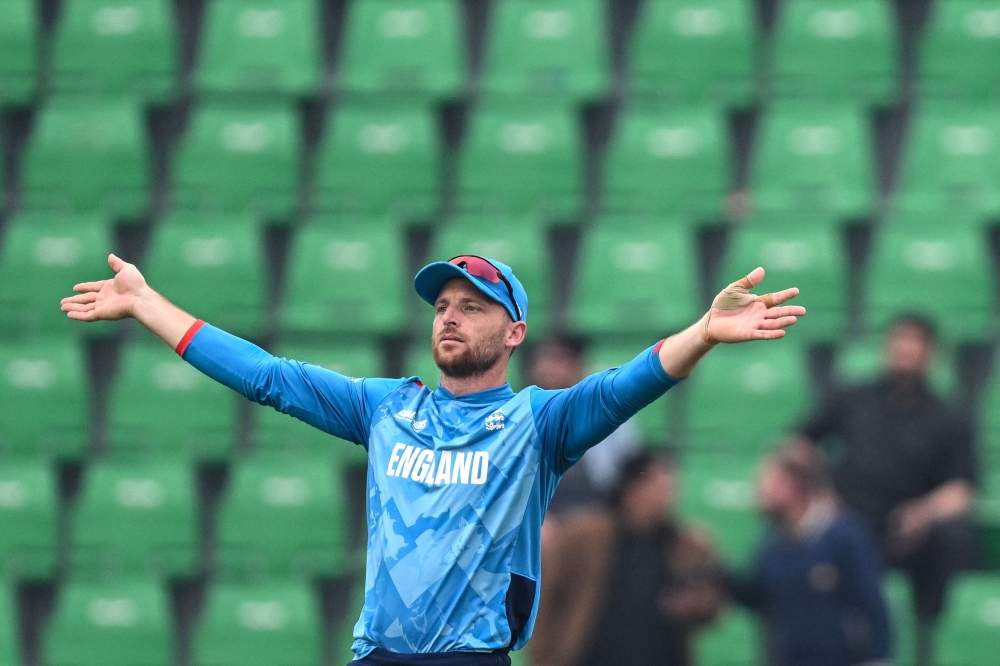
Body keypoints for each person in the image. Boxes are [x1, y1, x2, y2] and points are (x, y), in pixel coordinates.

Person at [61, 254, 804, 665]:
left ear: (514, 333)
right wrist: (147, 303)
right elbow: (268, 377)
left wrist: (704, 333)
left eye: (472, 306)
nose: (450, 316)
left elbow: (626, 385)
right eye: (443, 306)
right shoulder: (387, 408)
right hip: (376, 656)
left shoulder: (537, 422)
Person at [794, 315, 977, 664]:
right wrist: (819, 495)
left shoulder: (948, 417)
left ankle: (927, 635)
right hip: (845, 523)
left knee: (949, 540)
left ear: (932, 354)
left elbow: (962, 489)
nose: (906, 349)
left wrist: (924, 512)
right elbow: (799, 444)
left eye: (916, 342)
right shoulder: (853, 398)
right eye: (899, 339)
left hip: (904, 533)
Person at [531, 451, 723, 666]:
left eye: (670, 489)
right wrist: (543, 655)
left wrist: (693, 603)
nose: (665, 498)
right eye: (657, 488)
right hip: (590, 656)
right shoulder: (583, 538)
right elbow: (546, 597)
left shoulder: (683, 544)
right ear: (631, 489)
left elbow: (713, 601)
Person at [730, 443, 891, 666]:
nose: (761, 490)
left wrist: (876, 660)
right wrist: (714, 570)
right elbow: (756, 595)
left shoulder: (845, 537)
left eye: (770, 480)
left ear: (794, 484)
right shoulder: (773, 543)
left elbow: (871, 605)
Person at [528, 337, 641, 516]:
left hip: (596, 505)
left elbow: (628, 466)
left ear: (578, 365)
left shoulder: (607, 405)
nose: (549, 368)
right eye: (545, 360)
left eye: (559, 360)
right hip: (540, 509)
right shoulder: (521, 411)